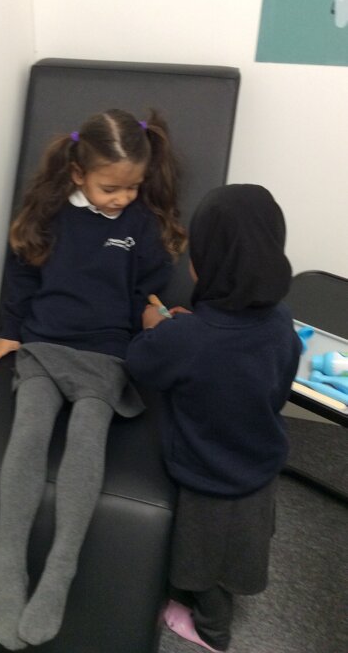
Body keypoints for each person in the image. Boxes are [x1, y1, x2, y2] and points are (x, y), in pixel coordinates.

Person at [0, 108, 186, 650]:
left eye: (132, 188)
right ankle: (9, 570)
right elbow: (21, 278)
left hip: (106, 353)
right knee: (30, 430)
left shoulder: (139, 225)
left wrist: (156, 325)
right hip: (44, 344)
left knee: (88, 434)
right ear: (78, 173)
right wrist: (10, 335)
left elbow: (145, 294)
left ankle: (60, 568)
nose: (122, 198)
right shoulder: (50, 215)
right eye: (110, 188)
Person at [126, 184, 301, 652]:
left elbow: (142, 363)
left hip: (207, 476)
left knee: (204, 561)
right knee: (241, 543)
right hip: (261, 464)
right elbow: (277, 381)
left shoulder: (187, 339)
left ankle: (211, 629)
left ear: (208, 264)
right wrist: (188, 327)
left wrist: (154, 327)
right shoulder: (281, 321)